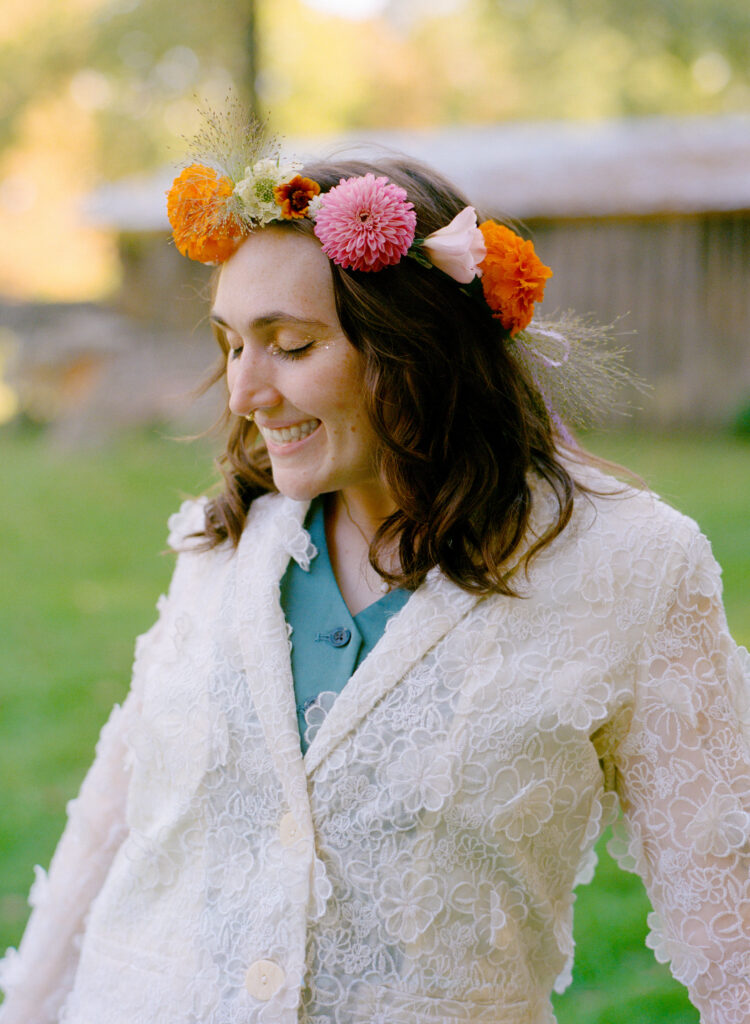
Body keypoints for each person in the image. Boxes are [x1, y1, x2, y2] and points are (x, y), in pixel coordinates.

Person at [1, 112, 748, 1024]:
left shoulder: (631, 568)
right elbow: (116, 824)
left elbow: (733, 912)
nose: (244, 390)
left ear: (416, 350)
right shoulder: (222, 544)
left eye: (292, 344)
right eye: (232, 342)